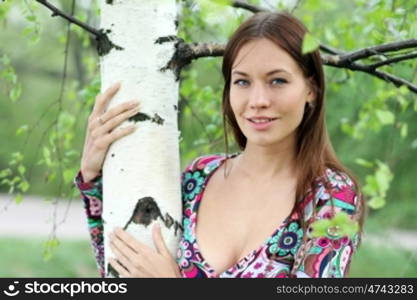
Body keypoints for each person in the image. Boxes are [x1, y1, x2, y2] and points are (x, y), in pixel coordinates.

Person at [74, 11, 366, 278]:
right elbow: (121, 270)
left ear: (311, 90)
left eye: (277, 81)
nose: (258, 101)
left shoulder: (331, 196)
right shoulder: (198, 177)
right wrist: (93, 176)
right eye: (242, 82)